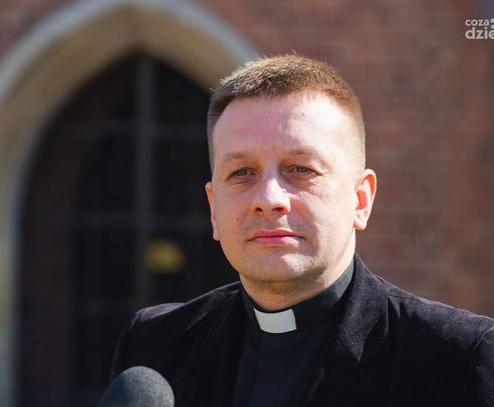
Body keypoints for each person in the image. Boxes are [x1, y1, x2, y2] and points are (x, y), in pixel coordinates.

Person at [110, 54, 494, 406]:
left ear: (361, 200)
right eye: (242, 172)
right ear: (214, 208)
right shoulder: (155, 344)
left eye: (300, 169)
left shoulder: (457, 360)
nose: (269, 198)